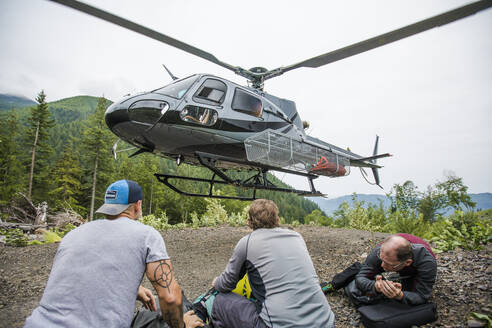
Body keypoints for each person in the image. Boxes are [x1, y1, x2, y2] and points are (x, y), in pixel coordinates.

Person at [24, 179, 203, 328]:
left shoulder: (74, 234)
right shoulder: (146, 235)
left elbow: (79, 272)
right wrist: (183, 325)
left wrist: (135, 289)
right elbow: (170, 298)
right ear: (137, 205)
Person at [210, 199, 335, 328]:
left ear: (249, 223)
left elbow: (227, 284)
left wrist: (216, 282)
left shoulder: (246, 243)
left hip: (278, 325)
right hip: (327, 322)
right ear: (277, 220)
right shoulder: (296, 237)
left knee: (220, 301)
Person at [323, 233, 437, 306]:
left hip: (413, 271)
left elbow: (422, 296)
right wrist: (375, 287)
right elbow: (360, 278)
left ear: (407, 263)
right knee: (359, 269)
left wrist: (400, 295)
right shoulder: (380, 253)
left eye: (387, 263)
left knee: (407, 294)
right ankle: (331, 285)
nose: (382, 266)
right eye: (381, 260)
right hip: (395, 261)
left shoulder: (426, 263)